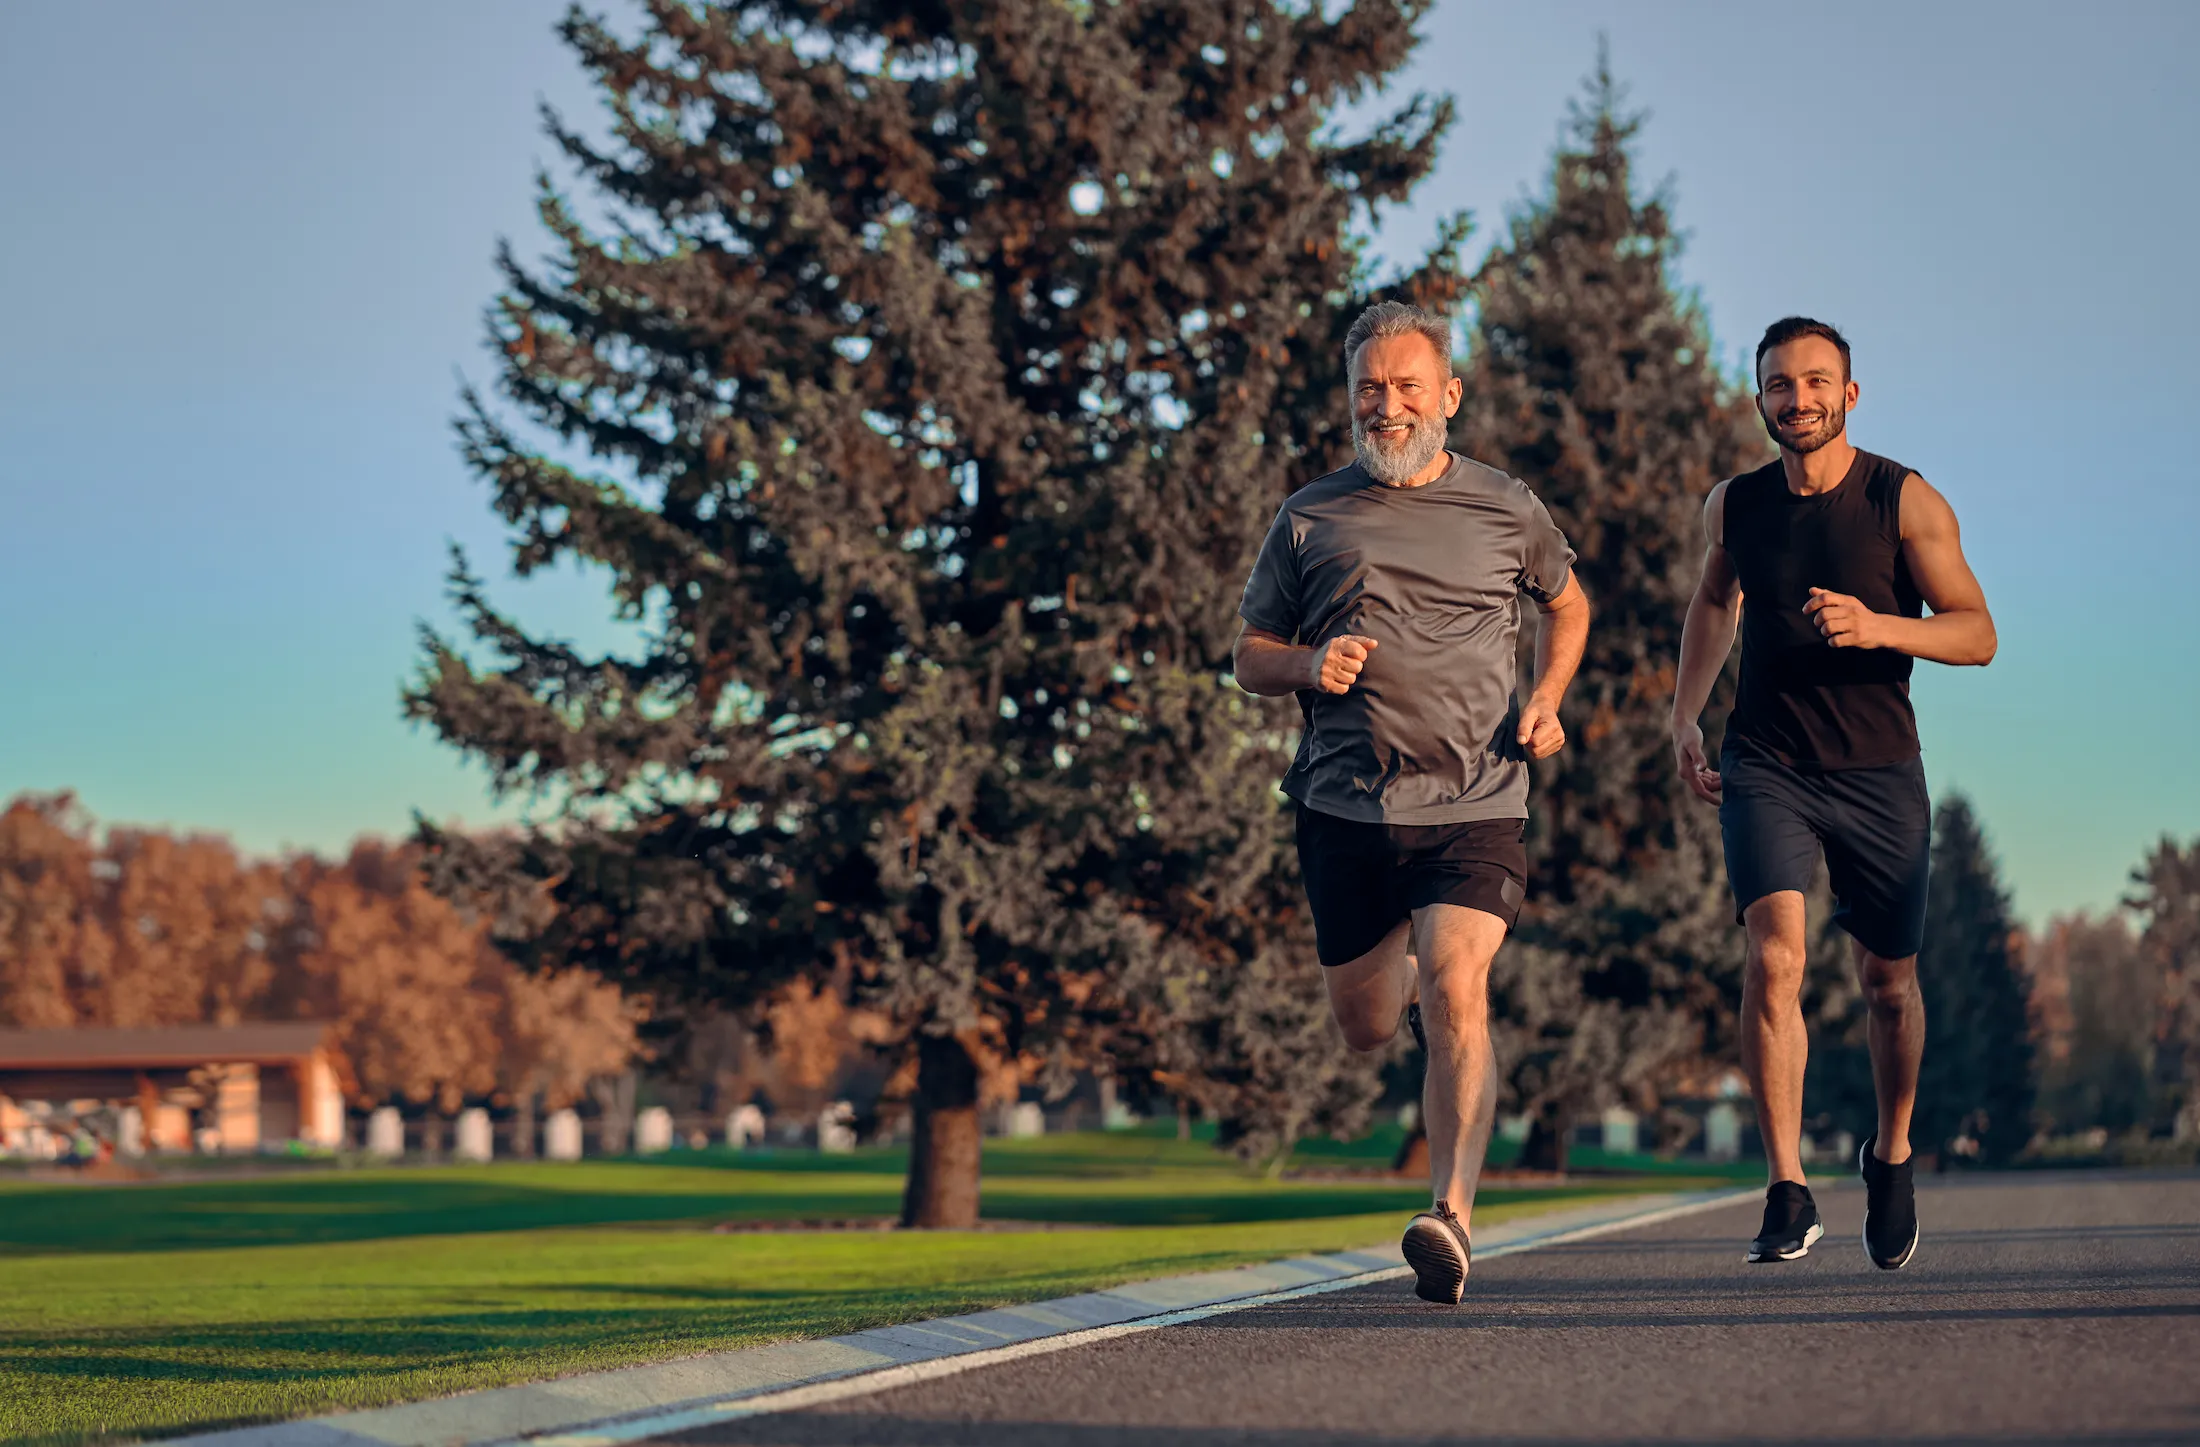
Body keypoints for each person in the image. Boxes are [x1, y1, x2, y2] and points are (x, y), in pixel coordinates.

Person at [1233, 300, 1589, 1304]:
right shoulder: (1309, 516)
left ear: (1449, 396)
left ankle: (1450, 1213)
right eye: (1369, 391)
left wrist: (1549, 697)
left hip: (1474, 801)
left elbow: (1568, 604)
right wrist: (1308, 661)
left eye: (1405, 387)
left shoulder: (1504, 507)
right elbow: (1247, 657)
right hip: (1342, 809)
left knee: (1455, 984)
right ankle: (1382, 961)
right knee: (1365, 1023)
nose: (1386, 407)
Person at [1670, 316, 1996, 1268]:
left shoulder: (1904, 500)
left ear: (1849, 394)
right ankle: (1786, 1185)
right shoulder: (1734, 506)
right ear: (1761, 397)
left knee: (1888, 984)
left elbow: (1976, 631)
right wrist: (1685, 716)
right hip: (1766, 758)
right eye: (1779, 384)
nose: (1797, 399)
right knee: (1775, 957)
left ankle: (1890, 1155)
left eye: (1816, 382)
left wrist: (1881, 625)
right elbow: (1712, 601)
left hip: (1878, 768)